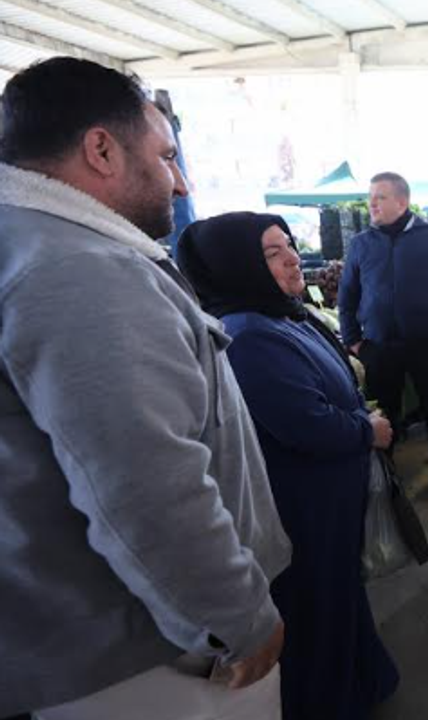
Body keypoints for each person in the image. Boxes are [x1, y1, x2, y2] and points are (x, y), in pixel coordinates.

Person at [0, 58, 290, 719]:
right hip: (152, 656)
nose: (180, 181)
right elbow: (146, 482)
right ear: (101, 150)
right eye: (165, 157)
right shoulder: (78, 269)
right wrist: (237, 618)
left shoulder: (33, 246)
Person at [176, 213, 400, 720]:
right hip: (304, 503)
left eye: (289, 245)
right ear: (238, 267)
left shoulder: (279, 315)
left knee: (341, 598)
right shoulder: (247, 334)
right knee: (318, 607)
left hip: (330, 494)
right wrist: (366, 430)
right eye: (272, 253)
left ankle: (360, 684)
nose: (294, 259)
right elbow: (303, 423)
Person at [338, 172, 428, 498]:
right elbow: (347, 296)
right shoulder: (362, 243)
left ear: (402, 202)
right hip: (379, 346)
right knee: (384, 413)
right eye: (371, 197)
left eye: (380, 197)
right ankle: (387, 478)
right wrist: (353, 340)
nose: (372, 204)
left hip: (426, 344)